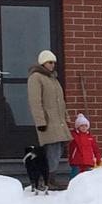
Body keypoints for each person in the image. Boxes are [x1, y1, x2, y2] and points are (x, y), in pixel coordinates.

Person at [26, 50, 71, 189]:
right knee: (52, 149)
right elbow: (35, 101)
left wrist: (66, 116)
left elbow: (60, 101)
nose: (52, 65)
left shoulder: (53, 79)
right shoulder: (36, 78)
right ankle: (45, 180)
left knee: (57, 148)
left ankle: (50, 178)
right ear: (43, 62)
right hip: (48, 121)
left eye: (54, 63)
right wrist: (40, 121)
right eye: (50, 62)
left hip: (59, 121)